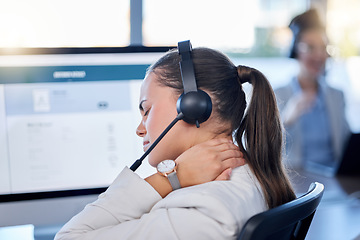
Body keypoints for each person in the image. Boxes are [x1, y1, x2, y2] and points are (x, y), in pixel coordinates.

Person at [55, 44, 295, 240]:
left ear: (194, 106)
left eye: (146, 110)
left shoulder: (199, 213)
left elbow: (69, 236)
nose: (140, 130)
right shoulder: (252, 175)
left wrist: (168, 179)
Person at [275, 9, 350, 173]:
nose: (319, 55)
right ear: (295, 50)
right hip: (296, 181)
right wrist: (287, 119)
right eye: (310, 48)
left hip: (335, 179)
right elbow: (263, 148)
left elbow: (347, 146)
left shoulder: (337, 96)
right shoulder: (276, 95)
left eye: (323, 48)